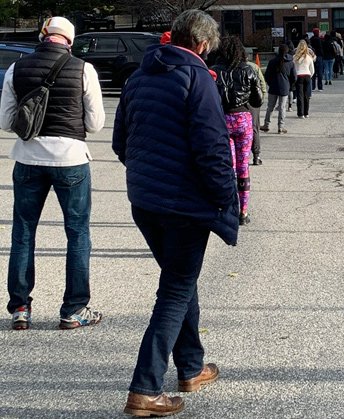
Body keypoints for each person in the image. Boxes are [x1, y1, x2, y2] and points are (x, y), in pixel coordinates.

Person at [112, 10, 239, 417]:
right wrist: (226, 200)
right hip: (184, 204)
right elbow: (213, 149)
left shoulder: (139, 76)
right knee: (174, 290)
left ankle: (191, 366)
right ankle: (145, 388)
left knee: (181, 280)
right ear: (201, 44)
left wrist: (148, 173)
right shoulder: (197, 78)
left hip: (145, 200)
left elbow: (120, 141)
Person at [0, 16, 105, 330]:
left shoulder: (16, 69)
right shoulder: (84, 69)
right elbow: (96, 123)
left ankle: (20, 307)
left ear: (43, 36)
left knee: (23, 232)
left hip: (28, 157)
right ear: (70, 41)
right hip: (70, 158)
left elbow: (5, 121)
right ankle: (73, 309)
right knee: (76, 234)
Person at [211, 36, 263, 225]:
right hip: (243, 120)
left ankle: (228, 208)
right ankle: (243, 212)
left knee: (228, 167)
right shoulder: (248, 70)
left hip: (222, 120)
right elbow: (258, 100)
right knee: (243, 166)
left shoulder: (215, 72)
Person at [261, 44, 296, 134]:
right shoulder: (290, 62)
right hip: (284, 87)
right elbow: (294, 77)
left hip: (273, 86)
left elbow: (267, 75)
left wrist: (270, 83)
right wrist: (290, 85)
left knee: (270, 107)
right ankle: (280, 127)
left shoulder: (272, 61)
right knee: (282, 107)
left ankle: (266, 125)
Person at [246, 53, 266, 166]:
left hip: (239, 103)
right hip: (254, 101)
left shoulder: (231, 67)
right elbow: (262, 84)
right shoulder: (254, 67)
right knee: (254, 128)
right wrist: (262, 98)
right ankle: (256, 155)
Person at [293, 40, 314, 119]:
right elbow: (312, 70)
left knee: (299, 95)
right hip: (307, 75)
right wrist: (310, 76)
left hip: (299, 76)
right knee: (306, 95)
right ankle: (306, 113)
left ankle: (300, 113)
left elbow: (293, 69)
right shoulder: (309, 57)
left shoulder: (295, 57)